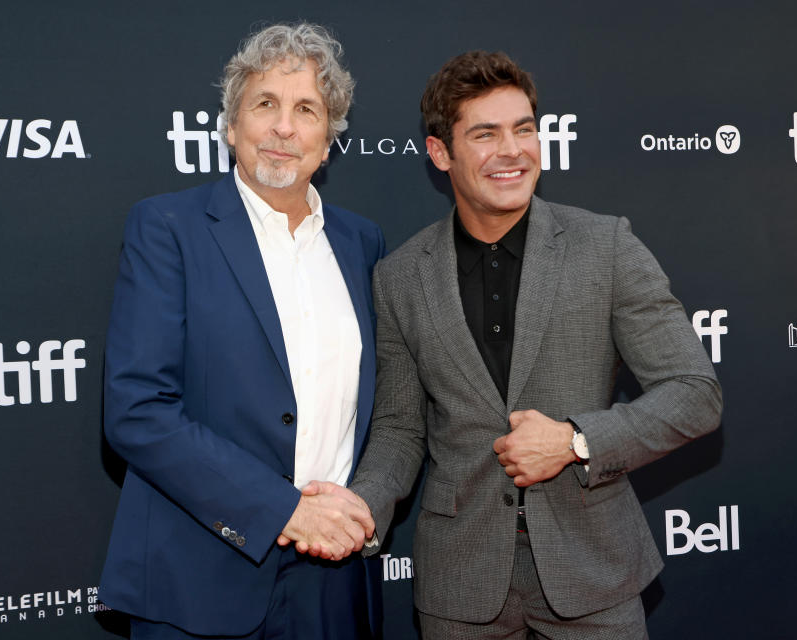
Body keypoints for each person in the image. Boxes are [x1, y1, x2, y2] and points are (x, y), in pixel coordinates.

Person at [306, 50, 722, 639]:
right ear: (440, 154)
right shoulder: (399, 277)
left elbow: (694, 393)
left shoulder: (605, 247)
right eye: (485, 134)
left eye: (524, 129)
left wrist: (576, 440)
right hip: (461, 583)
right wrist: (361, 509)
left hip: (593, 572)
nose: (513, 150)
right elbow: (401, 428)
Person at [99, 23, 383, 640]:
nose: (285, 127)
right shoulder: (168, 228)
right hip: (200, 578)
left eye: (306, 109)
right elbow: (136, 410)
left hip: (332, 586)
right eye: (265, 104)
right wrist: (283, 511)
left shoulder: (361, 243)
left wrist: (339, 516)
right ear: (231, 127)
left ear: (328, 141)